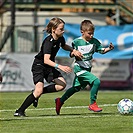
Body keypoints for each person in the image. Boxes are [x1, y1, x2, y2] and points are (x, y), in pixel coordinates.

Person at [14, 17, 82, 117]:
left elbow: (63, 46)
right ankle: (19, 111)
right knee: (39, 90)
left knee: (61, 85)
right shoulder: (48, 42)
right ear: (54, 29)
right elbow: (46, 60)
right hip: (39, 66)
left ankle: (37, 93)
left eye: (63, 29)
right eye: (61, 29)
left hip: (49, 67)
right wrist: (60, 67)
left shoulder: (60, 38)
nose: (63, 31)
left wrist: (73, 50)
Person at [55, 19, 114, 115]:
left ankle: (60, 101)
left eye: (92, 33)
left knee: (76, 88)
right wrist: (75, 54)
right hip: (79, 68)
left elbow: (101, 51)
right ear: (82, 32)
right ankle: (92, 104)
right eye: (89, 34)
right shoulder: (76, 42)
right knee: (96, 81)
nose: (91, 36)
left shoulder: (94, 42)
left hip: (87, 69)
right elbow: (71, 54)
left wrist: (109, 49)